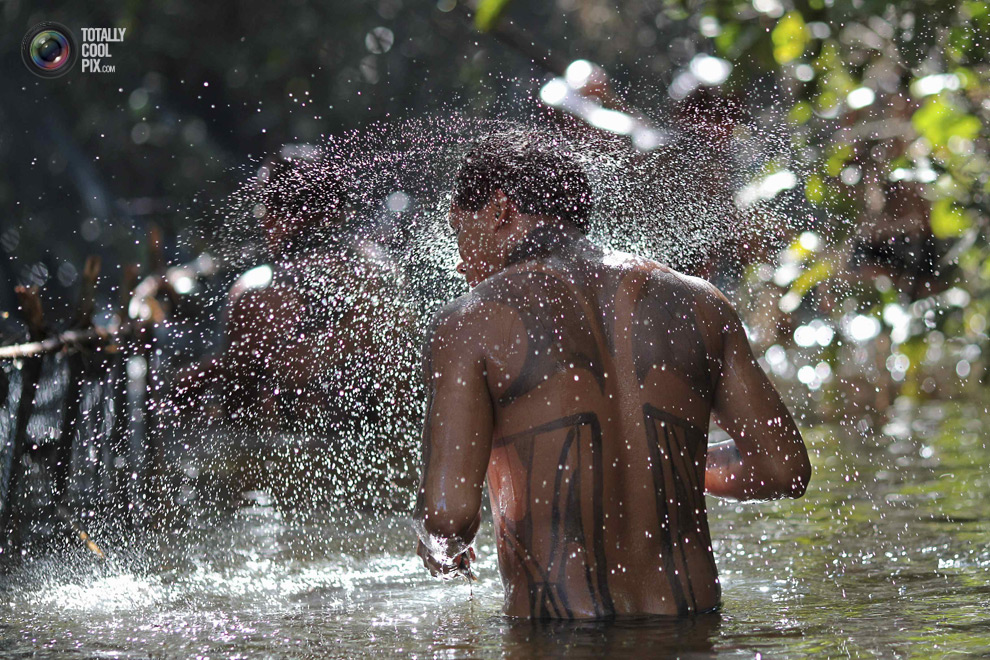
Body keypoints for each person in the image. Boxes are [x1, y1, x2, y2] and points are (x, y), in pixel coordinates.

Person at [413, 131, 811, 619]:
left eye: (460, 229)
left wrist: (437, 544)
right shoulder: (701, 302)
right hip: (691, 629)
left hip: (562, 638)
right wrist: (655, 459)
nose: (459, 261)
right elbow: (782, 469)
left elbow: (448, 514)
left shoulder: (470, 321)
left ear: (499, 212)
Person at [166, 145, 413, 435]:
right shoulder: (384, 269)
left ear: (275, 214)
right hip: (393, 450)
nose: (259, 217)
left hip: (294, 458)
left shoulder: (260, 290)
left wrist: (191, 383)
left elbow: (239, 408)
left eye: (263, 206)